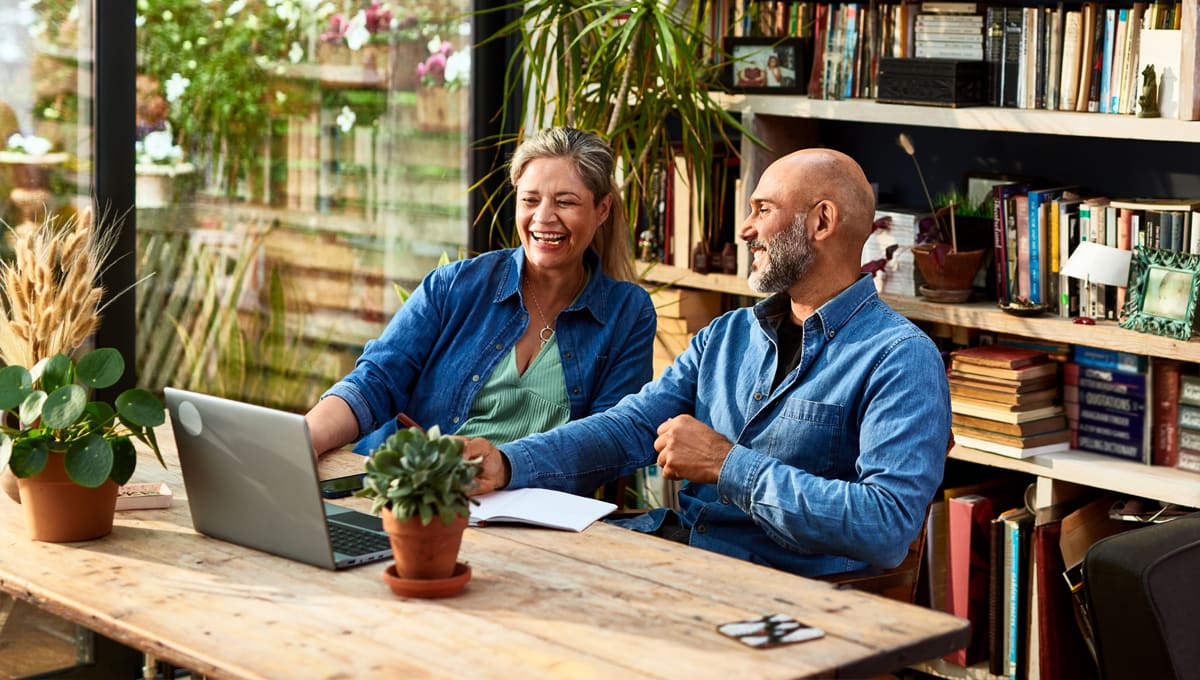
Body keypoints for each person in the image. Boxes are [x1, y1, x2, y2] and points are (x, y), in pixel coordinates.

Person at [465, 148, 951, 578]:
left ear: (821, 222)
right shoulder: (727, 334)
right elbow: (628, 427)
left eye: (763, 209)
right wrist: (506, 463)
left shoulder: (900, 357)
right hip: (677, 556)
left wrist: (725, 464)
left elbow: (886, 525)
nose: (745, 229)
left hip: (778, 593)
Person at [306, 127, 657, 457]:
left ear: (602, 209)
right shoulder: (453, 285)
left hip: (528, 500)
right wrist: (304, 441)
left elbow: (608, 440)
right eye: (530, 200)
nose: (543, 217)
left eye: (565, 202)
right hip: (413, 488)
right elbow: (375, 381)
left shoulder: (627, 314)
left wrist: (505, 466)